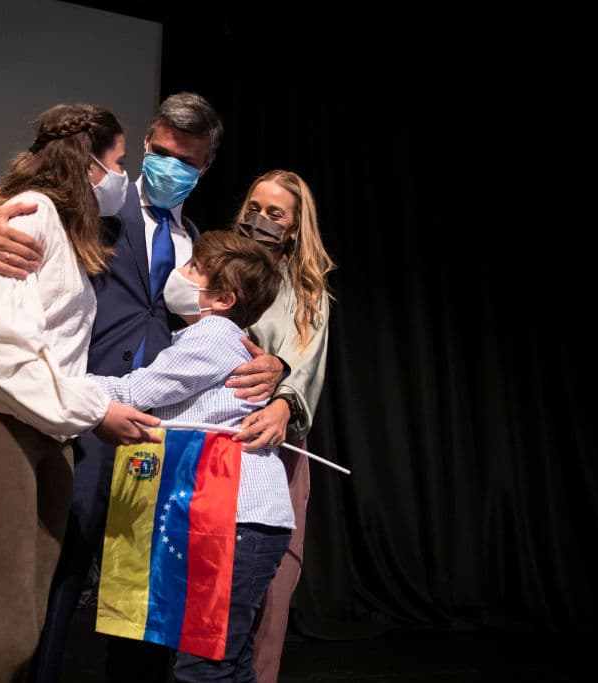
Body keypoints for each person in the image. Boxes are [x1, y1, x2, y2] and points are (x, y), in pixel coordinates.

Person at [0, 93, 287, 683]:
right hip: (75, 417)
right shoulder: (92, 203)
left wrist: (277, 374)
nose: (165, 165)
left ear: (205, 167)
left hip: (153, 444)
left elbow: (225, 332)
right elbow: (4, 231)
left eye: (184, 159)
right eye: (156, 151)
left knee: (144, 607)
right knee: (49, 587)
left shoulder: (200, 247)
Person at [0, 103, 160, 683]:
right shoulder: (30, 217)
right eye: (121, 162)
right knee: (0, 638)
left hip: (48, 432)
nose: (125, 179)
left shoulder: (71, 231)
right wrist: (93, 407)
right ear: (89, 167)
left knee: (24, 634)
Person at [90, 229, 291, 681]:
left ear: (221, 299)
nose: (179, 273)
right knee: (226, 660)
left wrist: (56, 384)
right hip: (236, 518)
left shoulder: (214, 337)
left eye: (193, 269)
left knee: (204, 664)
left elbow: (134, 393)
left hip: (237, 519)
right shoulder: (207, 336)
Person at [228, 170, 335, 683]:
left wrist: (283, 405)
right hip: (212, 438)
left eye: (275, 214)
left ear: (293, 228)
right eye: (254, 208)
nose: (260, 220)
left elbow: (304, 359)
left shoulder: (306, 291)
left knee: (271, 588)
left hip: (277, 447)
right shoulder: (213, 264)